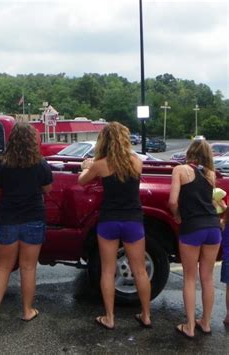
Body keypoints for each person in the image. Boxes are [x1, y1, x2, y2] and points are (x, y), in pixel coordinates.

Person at [78, 122, 151, 330]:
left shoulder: (100, 164)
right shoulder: (136, 162)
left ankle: (109, 318)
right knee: (140, 271)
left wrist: (85, 167)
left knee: (108, 271)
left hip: (109, 221)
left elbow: (82, 181)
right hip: (133, 221)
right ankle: (146, 315)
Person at [0, 123, 53, 322]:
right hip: (33, 219)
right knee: (28, 267)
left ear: (12, 140)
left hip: (8, 219)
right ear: (32, 141)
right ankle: (27, 311)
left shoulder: (1, 164)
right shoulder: (40, 163)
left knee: (4, 266)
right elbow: (48, 189)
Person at [168, 138, 222, 338]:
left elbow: (173, 200)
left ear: (189, 152)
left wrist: (177, 214)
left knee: (190, 278)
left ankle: (190, 326)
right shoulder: (210, 174)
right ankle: (206, 323)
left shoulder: (180, 170)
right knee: (207, 278)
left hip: (192, 227)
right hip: (213, 228)